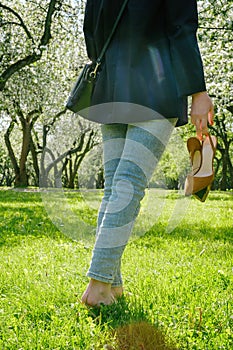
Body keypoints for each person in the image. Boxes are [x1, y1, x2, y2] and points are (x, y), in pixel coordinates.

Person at [81, 0, 214, 307]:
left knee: (116, 187)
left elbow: (91, 30)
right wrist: (198, 92)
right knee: (127, 185)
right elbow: (181, 28)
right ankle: (98, 286)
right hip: (157, 83)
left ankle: (112, 287)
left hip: (111, 86)